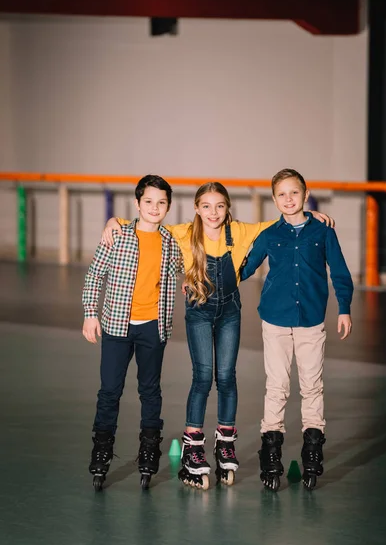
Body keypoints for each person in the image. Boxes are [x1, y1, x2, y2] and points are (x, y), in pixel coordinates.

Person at [103, 181, 333, 490]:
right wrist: (114, 221)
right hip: (198, 312)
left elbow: (280, 222)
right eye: (207, 206)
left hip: (230, 313)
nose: (214, 212)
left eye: (220, 206)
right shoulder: (182, 232)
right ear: (197, 208)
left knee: (226, 377)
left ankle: (225, 443)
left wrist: (311, 214)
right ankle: (193, 446)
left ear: (228, 209)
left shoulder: (238, 231)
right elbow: (149, 224)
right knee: (203, 377)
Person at [240, 168, 353, 491]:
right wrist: (208, 279)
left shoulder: (323, 232)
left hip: (312, 321)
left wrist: (344, 308)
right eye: (281, 194)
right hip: (275, 320)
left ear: (305, 195)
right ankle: (271, 454)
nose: (288, 199)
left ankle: (312, 453)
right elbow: (245, 268)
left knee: (311, 386)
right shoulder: (270, 234)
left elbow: (341, 273)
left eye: (294, 193)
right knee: (276, 387)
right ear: (274, 199)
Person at [82, 175, 182, 490]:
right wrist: (90, 314)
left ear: (168, 206)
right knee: (109, 391)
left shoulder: (171, 242)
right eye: (148, 201)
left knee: (150, 391)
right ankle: (101, 452)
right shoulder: (117, 235)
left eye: (161, 202)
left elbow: (196, 252)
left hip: (153, 327)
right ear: (137, 203)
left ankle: (149, 452)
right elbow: (94, 275)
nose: (154, 208)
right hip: (115, 327)